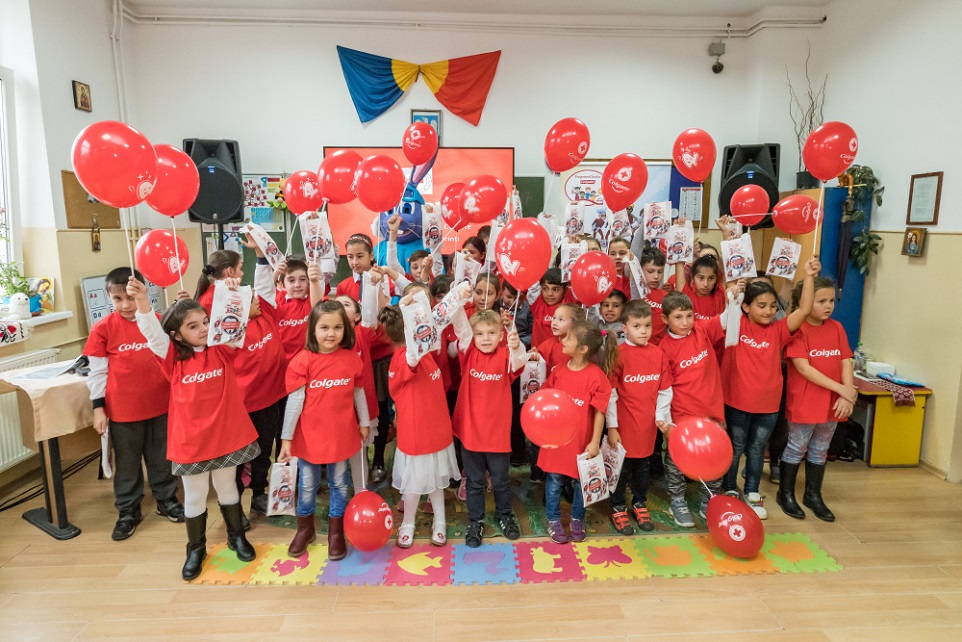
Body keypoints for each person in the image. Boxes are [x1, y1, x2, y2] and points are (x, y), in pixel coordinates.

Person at [128, 276, 258, 581]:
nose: (203, 329)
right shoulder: (172, 358)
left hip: (225, 435)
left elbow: (235, 321)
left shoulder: (221, 348)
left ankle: (236, 537)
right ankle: (196, 548)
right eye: (193, 326)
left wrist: (231, 291)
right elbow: (152, 332)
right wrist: (143, 301)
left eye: (205, 322)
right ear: (176, 335)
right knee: (196, 496)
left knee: (228, 488)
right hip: (192, 442)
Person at [84, 267, 184, 541]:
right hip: (123, 411)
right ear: (109, 298)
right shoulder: (103, 328)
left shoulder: (158, 321)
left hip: (162, 405)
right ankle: (128, 509)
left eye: (130, 297)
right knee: (127, 463)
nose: (125, 305)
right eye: (118, 299)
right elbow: (97, 372)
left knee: (162, 457)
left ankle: (167, 500)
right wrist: (98, 407)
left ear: (142, 291)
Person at [721, 255, 820, 519]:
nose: (768, 311)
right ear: (746, 307)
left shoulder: (778, 330)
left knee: (756, 450)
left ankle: (752, 492)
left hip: (768, 407)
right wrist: (734, 283)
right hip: (737, 403)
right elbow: (730, 292)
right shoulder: (736, 323)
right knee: (735, 448)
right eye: (761, 306)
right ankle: (729, 489)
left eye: (772, 306)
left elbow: (804, 310)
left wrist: (809, 276)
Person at [277, 300, 370, 560]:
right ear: (313, 329)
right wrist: (286, 438)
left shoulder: (351, 359)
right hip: (309, 438)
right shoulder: (302, 361)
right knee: (307, 485)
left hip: (341, 436)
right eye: (325, 327)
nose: (331, 333)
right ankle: (304, 530)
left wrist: (364, 422)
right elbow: (294, 403)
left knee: (339, 484)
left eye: (337, 327)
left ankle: (335, 533)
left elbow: (358, 393)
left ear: (346, 329)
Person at [382, 296, 464, 548]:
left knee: (437, 480)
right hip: (416, 433)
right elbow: (411, 358)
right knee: (414, 482)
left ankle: (440, 521)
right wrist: (407, 312)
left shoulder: (426, 354)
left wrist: (457, 296)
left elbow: (440, 318)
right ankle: (408, 522)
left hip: (437, 429)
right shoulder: (406, 357)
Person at [778, 276, 856, 522]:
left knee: (821, 448)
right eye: (821, 301)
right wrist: (842, 389)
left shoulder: (837, 328)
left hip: (832, 402)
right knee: (797, 446)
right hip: (805, 400)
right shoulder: (797, 329)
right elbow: (804, 368)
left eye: (831, 301)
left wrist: (847, 392)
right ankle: (785, 493)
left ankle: (813, 495)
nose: (828, 306)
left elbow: (846, 361)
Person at [657, 289, 734, 527]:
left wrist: (732, 298)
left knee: (714, 456)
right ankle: (677, 501)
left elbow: (726, 319)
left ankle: (709, 500)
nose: (685, 322)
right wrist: (666, 420)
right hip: (682, 414)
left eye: (689, 316)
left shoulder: (702, 329)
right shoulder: (664, 348)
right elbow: (664, 388)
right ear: (665, 319)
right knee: (676, 460)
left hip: (711, 411)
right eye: (678, 317)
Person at [452, 308, 527, 547]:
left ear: (501, 335)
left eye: (492, 333)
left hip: (497, 434)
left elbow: (520, 360)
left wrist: (516, 344)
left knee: (501, 480)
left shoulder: (506, 355)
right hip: (471, 432)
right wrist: (459, 296)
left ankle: (505, 515)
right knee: (474, 482)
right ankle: (476, 521)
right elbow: (460, 326)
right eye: (480, 333)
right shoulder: (468, 352)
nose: (485, 338)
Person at [538, 321, 614, 544]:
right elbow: (545, 397)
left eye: (569, 338)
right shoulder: (559, 370)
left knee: (582, 482)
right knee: (554, 481)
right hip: (557, 440)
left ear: (582, 348)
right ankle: (553, 519)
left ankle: (577, 519)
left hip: (581, 441)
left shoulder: (597, 376)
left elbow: (600, 412)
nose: (563, 340)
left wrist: (594, 442)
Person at [232, 241, 289, 517]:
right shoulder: (232, 333)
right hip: (243, 406)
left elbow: (264, 286)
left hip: (271, 400)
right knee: (238, 457)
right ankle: (234, 504)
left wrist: (260, 257)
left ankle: (259, 493)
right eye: (251, 299)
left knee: (264, 451)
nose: (257, 300)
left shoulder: (266, 314)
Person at [606, 300, 672, 534]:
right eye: (637, 326)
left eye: (647, 326)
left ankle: (639, 502)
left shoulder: (658, 354)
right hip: (623, 427)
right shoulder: (619, 354)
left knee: (643, 468)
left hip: (647, 427)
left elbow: (665, 389)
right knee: (621, 469)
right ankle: (617, 506)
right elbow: (611, 394)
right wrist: (612, 426)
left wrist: (661, 416)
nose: (643, 331)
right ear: (624, 328)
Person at [273, 256, 316, 363]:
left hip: (307, 363)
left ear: (308, 282)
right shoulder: (277, 302)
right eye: (291, 280)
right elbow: (262, 294)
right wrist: (274, 275)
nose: (297, 285)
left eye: (302, 279)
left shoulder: (312, 300)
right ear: (282, 284)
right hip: (281, 364)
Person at [527, 268, 570, 347]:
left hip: (561, 353)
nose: (549, 294)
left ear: (565, 290)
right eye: (545, 288)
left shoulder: (569, 306)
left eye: (555, 289)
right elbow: (533, 283)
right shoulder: (537, 303)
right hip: (537, 353)